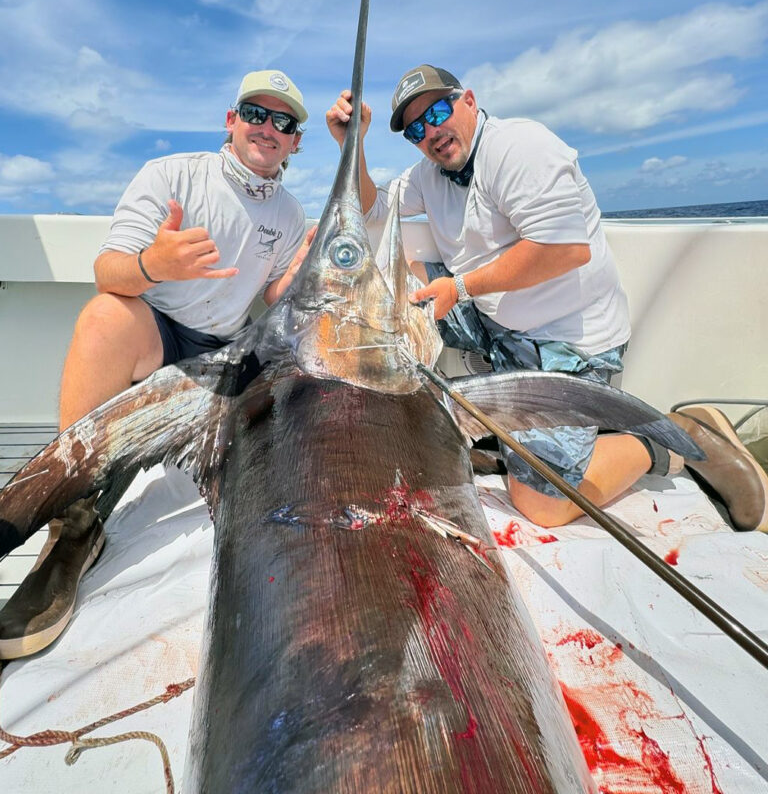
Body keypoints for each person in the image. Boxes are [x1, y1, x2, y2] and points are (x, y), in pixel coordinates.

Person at [326, 64, 768, 533]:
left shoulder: (520, 147)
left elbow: (563, 249)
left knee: (542, 507)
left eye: (438, 111)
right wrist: (350, 144)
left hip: (568, 347)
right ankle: (478, 434)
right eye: (416, 129)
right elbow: (372, 206)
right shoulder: (428, 174)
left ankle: (678, 436)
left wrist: (457, 288)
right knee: (389, 302)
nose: (431, 131)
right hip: (497, 325)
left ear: (469, 100)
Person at [0, 69, 315, 659]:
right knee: (103, 318)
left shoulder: (291, 214)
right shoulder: (171, 175)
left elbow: (273, 296)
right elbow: (108, 274)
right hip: (160, 329)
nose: (267, 128)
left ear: (296, 141)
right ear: (231, 119)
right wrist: (155, 264)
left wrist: (303, 271)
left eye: (284, 122)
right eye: (255, 112)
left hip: (225, 345)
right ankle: (74, 519)